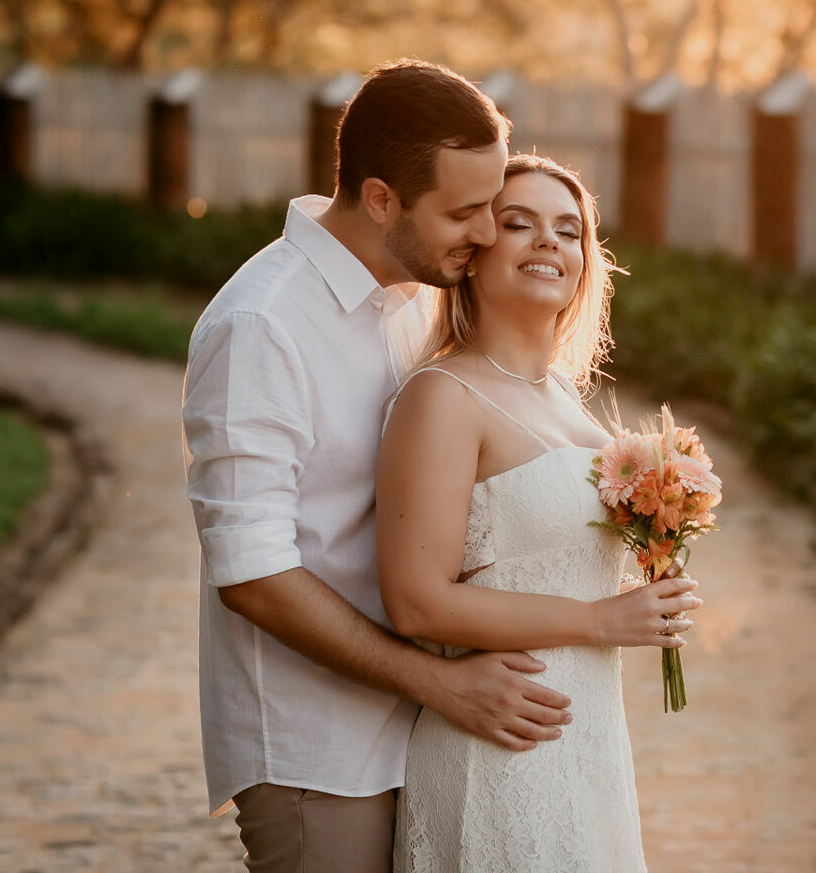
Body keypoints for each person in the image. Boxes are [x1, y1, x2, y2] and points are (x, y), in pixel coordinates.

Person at [181, 59, 579, 871]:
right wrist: (436, 682)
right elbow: (251, 573)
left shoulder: (411, 302)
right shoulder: (263, 324)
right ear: (381, 198)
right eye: (465, 212)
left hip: (427, 731)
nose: (485, 232)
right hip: (317, 749)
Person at [377, 153, 704, 872]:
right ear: (472, 253)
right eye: (517, 223)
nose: (548, 242)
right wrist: (598, 620)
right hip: (499, 741)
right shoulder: (444, 396)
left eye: (569, 229)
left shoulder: (570, 404)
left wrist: (633, 597)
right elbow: (415, 601)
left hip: (586, 742)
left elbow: (534, 566)